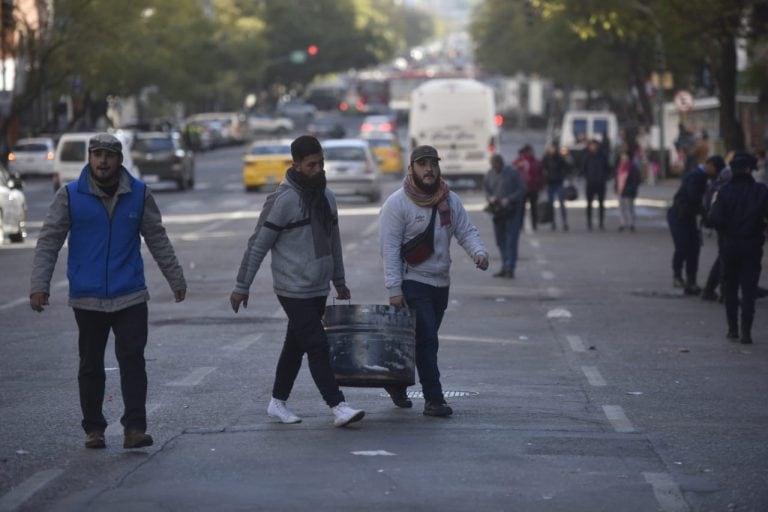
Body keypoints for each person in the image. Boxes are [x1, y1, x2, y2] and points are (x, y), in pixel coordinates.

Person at [29, 133, 187, 450]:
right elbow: (49, 241)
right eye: (97, 154)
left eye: (109, 155)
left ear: (120, 159)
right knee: (90, 364)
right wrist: (39, 284)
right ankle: (94, 429)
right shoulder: (70, 195)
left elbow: (157, 238)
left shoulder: (139, 194)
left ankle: (134, 428)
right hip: (87, 297)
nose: (103, 161)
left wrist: (176, 278)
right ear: (90, 158)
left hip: (129, 293)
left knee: (132, 361)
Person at [230, 135, 364, 428]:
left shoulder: (327, 197)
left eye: (321, 163)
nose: (318, 169)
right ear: (297, 165)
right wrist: (242, 286)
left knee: (295, 346)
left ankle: (277, 402)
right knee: (316, 345)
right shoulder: (283, 200)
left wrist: (339, 280)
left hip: (318, 286)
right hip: (292, 288)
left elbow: (334, 242)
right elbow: (258, 244)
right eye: (311, 165)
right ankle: (338, 406)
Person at [379, 145, 489, 417]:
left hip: (441, 283)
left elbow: (466, 231)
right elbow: (389, 249)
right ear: (411, 168)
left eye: (433, 163)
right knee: (427, 339)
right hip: (413, 280)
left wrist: (479, 252)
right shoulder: (397, 203)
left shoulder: (449, 200)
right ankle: (434, 399)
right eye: (422, 163)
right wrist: (394, 289)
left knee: (420, 340)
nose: (429, 169)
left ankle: (396, 383)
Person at [707, 151, 768, 344]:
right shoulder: (761, 191)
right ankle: (746, 331)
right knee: (749, 289)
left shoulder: (723, 191)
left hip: (729, 244)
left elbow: (713, 219)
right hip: (752, 244)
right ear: (749, 169)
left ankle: (732, 329)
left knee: (730, 286)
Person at [666, 154, 719, 294]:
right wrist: (705, 212)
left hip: (688, 216)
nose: (716, 174)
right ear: (710, 165)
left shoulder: (701, 176)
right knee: (683, 245)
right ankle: (678, 275)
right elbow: (693, 197)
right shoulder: (697, 176)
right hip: (679, 215)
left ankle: (691, 281)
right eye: (716, 170)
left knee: (693, 248)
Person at [484, 154, 526, 278]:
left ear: (501, 163)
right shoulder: (489, 174)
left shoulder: (513, 172)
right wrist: (490, 198)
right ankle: (504, 264)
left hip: (512, 210)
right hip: (498, 212)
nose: (495, 167)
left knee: (511, 240)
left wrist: (509, 199)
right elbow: (486, 189)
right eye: (493, 165)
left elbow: (522, 189)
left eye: (497, 165)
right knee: (500, 240)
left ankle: (510, 267)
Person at [699, 155, 729, 301]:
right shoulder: (721, 183)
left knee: (724, 258)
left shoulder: (719, 182)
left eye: (708, 165)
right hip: (727, 227)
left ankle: (713, 289)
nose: (706, 168)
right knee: (725, 258)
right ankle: (722, 291)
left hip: (723, 225)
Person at [581, 139, 611, 230]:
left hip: (600, 183)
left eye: (594, 145)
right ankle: (589, 223)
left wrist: (604, 178)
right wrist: (587, 177)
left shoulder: (602, 156)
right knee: (589, 204)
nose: (593, 147)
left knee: (601, 204)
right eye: (591, 146)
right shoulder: (587, 156)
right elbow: (583, 168)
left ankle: (601, 223)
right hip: (590, 183)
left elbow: (608, 168)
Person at [541, 143, 570, 231]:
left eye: (553, 148)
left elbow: (567, 167)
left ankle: (564, 222)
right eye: (550, 148)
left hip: (559, 182)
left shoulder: (560, 158)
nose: (552, 150)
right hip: (550, 183)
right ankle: (553, 222)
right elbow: (542, 168)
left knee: (562, 203)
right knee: (550, 204)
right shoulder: (546, 158)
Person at [514, 145, 543, 231]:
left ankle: (534, 224)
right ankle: (520, 225)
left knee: (533, 208)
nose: (532, 152)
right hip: (523, 188)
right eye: (530, 151)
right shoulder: (519, 161)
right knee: (521, 208)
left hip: (533, 188)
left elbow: (540, 174)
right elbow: (513, 173)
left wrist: (540, 185)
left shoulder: (535, 161)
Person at [615, 150, 641, 232]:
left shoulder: (632, 168)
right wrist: (616, 188)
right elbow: (617, 180)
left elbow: (636, 180)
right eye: (622, 159)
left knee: (630, 208)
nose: (623, 160)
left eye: (625, 158)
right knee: (621, 208)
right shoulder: (619, 168)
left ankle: (631, 224)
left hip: (629, 191)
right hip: (620, 190)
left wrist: (631, 189)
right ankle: (622, 223)